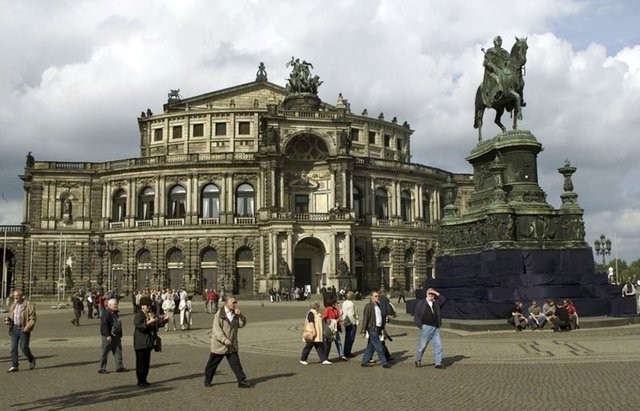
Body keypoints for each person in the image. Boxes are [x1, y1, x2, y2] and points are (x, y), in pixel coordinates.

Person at [204, 296, 253, 388]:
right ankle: (208, 379)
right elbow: (216, 330)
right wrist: (224, 339)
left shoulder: (235, 314)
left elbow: (242, 324)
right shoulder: (219, 314)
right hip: (219, 345)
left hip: (231, 345)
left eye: (235, 302)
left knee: (236, 364)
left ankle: (241, 381)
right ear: (226, 303)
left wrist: (241, 315)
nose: (235, 304)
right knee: (212, 365)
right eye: (233, 302)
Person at [133, 295, 168, 387]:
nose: (147, 307)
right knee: (140, 363)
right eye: (145, 305)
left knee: (146, 363)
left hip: (148, 342)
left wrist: (163, 321)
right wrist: (149, 322)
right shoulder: (139, 314)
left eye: (148, 305)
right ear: (142, 306)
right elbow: (139, 326)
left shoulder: (150, 314)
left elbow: (156, 324)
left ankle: (144, 379)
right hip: (140, 342)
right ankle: (140, 380)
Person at [413, 288, 446, 369]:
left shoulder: (436, 303)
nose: (431, 295)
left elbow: (443, 299)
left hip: (436, 327)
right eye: (429, 293)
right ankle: (418, 360)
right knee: (422, 346)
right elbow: (416, 315)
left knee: (438, 346)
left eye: (432, 294)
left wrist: (436, 292)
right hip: (426, 327)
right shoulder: (421, 303)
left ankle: (438, 363)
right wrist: (420, 326)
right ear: (426, 294)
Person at [5, 289, 37, 372]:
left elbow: (33, 318)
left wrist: (27, 327)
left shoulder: (28, 305)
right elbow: (11, 315)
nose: (15, 297)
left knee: (24, 347)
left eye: (17, 296)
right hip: (14, 328)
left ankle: (31, 359)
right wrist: (8, 321)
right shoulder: (13, 305)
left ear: (21, 296)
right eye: (14, 296)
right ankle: (15, 365)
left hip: (24, 329)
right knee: (13, 348)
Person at [360, 291, 390, 368]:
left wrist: (382, 327)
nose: (377, 297)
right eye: (376, 296)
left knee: (371, 346)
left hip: (378, 328)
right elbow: (365, 319)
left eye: (378, 296)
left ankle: (364, 361)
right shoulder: (368, 306)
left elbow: (380, 317)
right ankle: (384, 362)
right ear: (372, 297)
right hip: (372, 328)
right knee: (379, 346)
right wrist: (363, 330)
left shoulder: (378, 305)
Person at [300, 301, 331, 365]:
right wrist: (313, 330)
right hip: (312, 333)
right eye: (318, 306)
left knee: (319, 346)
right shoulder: (311, 313)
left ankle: (324, 359)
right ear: (316, 306)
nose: (319, 307)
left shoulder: (317, 313)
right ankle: (303, 359)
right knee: (308, 346)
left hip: (317, 333)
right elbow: (311, 322)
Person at [98, 298, 125, 374]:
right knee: (105, 352)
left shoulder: (115, 313)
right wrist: (107, 335)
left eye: (117, 304)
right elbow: (104, 325)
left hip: (116, 336)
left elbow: (118, 323)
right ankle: (102, 368)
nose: (116, 306)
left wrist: (120, 334)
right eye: (115, 304)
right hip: (108, 336)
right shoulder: (106, 313)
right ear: (110, 305)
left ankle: (119, 366)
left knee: (118, 351)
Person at [322, 294, 345, 361]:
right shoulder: (328, 309)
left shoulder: (336, 310)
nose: (336, 304)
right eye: (336, 303)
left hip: (335, 328)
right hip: (330, 329)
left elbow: (338, 317)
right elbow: (324, 318)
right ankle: (325, 357)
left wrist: (340, 318)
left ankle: (341, 355)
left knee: (338, 342)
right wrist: (333, 321)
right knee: (328, 343)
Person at [340, 291, 358, 358]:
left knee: (347, 337)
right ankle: (347, 352)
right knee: (351, 337)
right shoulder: (351, 304)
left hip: (346, 321)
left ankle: (346, 351)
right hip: (351, 321)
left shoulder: (344, 303)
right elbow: (352, 314)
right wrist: (355, 322)